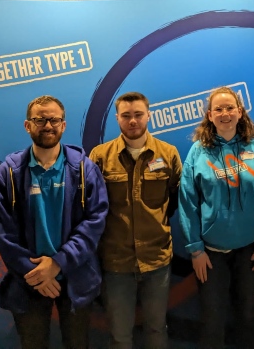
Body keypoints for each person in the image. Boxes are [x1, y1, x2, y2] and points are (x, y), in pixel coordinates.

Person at [0, 95, 109, 349]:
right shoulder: (9, 173)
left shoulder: (85, 170)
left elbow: (94, 222)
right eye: (40, 119)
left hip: (76, 277)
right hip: (28, 280)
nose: (47, 125)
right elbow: (2, 232)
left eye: (54, 119)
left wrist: (57, 264)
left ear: (63, 125)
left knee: (78, 344)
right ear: (27, 125)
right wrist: (37, 274)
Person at [178, 86, 254, 349]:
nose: (225, 113)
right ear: (209, 115)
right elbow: (188, 203)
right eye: (218, 109)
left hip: (249, 251)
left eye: (230, 107)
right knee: (212, 320)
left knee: (247, 316)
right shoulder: (198, 151)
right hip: (210, 253)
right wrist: (196, 250)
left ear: (240, 112)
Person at [89, 91, 182, 349]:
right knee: (120, 335)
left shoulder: (168, 153)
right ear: (117, 118)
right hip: (116, 261)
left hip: (157, 259)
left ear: (148, 115)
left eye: (138, 115)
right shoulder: (99, 156)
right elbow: (90, 208)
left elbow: (174, 199)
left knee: (156, 329)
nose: (133, 121)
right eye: (126, 116)